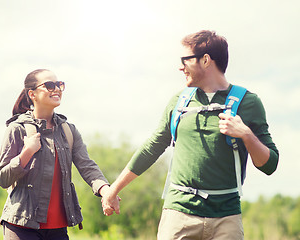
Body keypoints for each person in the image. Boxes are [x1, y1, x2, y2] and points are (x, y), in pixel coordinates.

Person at [101, 30, 279, 239]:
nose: (180, 67)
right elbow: (152, 147)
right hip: (178, 215)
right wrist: (113, 189)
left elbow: (270, 165)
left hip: (226, 218)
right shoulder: (179, 101)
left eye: (185, 60)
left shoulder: (249, 103)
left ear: (205, 60)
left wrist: (246, 135)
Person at [0, 69, 118, 240]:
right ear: (32, 94)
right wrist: (27, 153)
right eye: (49, 85)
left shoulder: (68, 130)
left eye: (60, 84)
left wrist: (106, 191)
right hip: (21, 225)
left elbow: (87, 166)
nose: (57, 89)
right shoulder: (17, 128)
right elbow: (2, 178)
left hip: (58, 229)